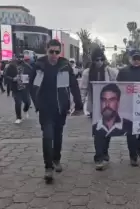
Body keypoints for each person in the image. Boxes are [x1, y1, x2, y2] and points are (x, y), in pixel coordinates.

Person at [30, 39, 83, 182]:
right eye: (51, 51)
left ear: (60, 52)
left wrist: (79, 105)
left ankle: (56, 159)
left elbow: (73, 85)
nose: (54, 54)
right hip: (45, 108)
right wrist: (36, 103)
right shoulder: (38, 65)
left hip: (61, 108)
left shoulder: (65, 66)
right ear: (46, 50)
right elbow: (31, 85)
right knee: (47, 136)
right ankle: (48, 168)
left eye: (57, 52)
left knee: (58, 135)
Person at [116, 49, 140, 167]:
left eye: (138, 58)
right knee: (130, 131)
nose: (136, 61)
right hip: (128, 104)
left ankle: (139, 143)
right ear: (130, 59)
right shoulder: (123, 72)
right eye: (134, 58)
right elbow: (117, 87)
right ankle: (133, 156)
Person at [92, 84, 132, 170]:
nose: (107, 104)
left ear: (118, 102)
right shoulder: (96, 126)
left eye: (112, 100)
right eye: (103, 100)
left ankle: (134, 156)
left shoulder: (128, 125)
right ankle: (99, 157)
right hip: (99, 128)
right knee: (99, 135)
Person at [6, 55, 33, 124]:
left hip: (25, 88)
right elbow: (6, 75)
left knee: (27, 102)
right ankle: (18, 117)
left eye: (20, 58)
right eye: (17, 59)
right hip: (16, 88)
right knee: (18, 103)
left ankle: (25, 110)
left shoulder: (27, 67)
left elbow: (32, 74)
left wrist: (29, 79)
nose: (18, 60)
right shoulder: (10, 66)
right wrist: (12, 79)